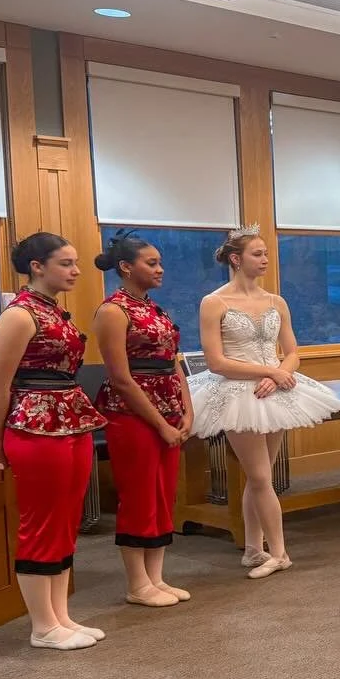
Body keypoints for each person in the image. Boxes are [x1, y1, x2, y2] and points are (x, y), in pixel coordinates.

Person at [189, 226, 340, 577]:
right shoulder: (214, 302)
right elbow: (216, 361)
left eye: (265, 253)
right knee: (260, 477)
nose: (265, 260)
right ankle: (279, 553)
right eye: (257, 254)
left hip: (274, 388)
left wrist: (280, 372)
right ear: (235, 259)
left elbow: (292, 352)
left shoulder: (277, 301)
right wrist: (269, 372)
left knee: (260, 476)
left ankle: (253, 550)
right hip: (236, 390)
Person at [0, 233, 107, 650]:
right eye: (66, 263)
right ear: (37, 265)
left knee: (66, 518)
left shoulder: (55, 311)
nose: (75, 271)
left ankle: (60, 616)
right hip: (34, 424)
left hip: (70, 418)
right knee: (39, 522)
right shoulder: (18, 316)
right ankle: (42, 626)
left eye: (75, 263)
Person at [92, 232, 194, 608]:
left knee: (163, 493)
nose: (160, 269)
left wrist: (187, 409)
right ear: (125, 267)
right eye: (151, 263)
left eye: (159, 262)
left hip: (169, 409)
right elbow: (120, 377)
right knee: (138, 495)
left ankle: (156, 577)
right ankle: (137, 583)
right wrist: (160, 424)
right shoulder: (112, 311)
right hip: (131, 414)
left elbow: (174, 362)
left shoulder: (155, 308)